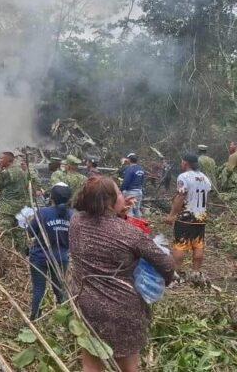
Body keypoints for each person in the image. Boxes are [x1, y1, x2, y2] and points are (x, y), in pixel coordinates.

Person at [69, 177, 174, 372]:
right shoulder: (130, 233)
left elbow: (102, 229)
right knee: (127, 367)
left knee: (91, 365)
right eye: (119, 193)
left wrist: (118, 214)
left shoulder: (76, 222)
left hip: (85, 303)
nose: (123, 196)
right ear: (109, 201)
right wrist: (164, 281)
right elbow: (166, 264)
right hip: (122, 309)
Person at [26, 183, 72, 320]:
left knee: (39, 288)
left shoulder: (43, 213)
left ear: (51, 197)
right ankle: (66, 319)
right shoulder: (73, 216)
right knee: (60, 288)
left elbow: (30, 231)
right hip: (61, 258)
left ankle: (35, 318)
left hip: (40, 257)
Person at [165, 153, 211, 277]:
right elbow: (206, 198)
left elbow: (181, 196)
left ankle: (175, 274)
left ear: (185, 163)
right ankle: (195, 273)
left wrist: (172, 215)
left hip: (186, 217)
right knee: (198, 244)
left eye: (182, 162)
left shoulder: (183, 177)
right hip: (201, 217)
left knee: (180, 244)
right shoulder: (205, 178)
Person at [0, 151, 30, 253]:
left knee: (5, 233)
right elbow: (26, 186)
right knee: (19, 233)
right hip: (20, 208)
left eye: (1, 158)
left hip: (7, 209)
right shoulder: (22, 171)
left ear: (9, 161)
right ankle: (21, 257)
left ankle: (7, 256)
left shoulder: (6, 173)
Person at [121, 153, 146, 217]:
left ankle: (129, 223)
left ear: (129, 160)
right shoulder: (141, 169)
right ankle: (139, 222)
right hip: (139, 192)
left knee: (129, 210)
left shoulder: (130, 169)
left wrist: (121, 190)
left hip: (130, 192)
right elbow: (143, 180)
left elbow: (126, 181)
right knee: (136, 209)